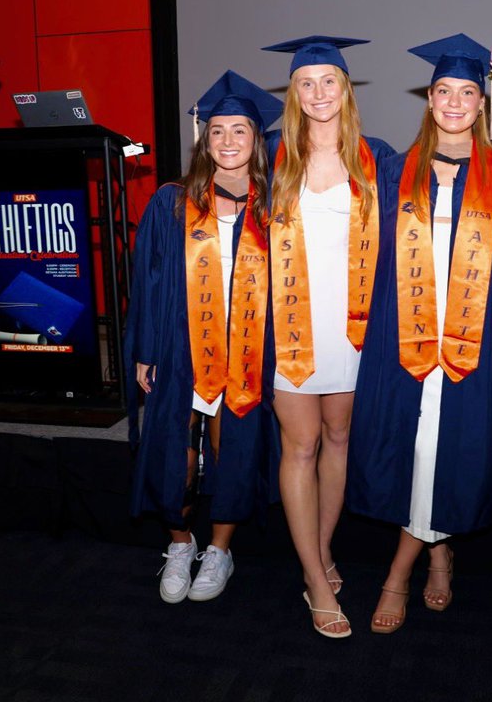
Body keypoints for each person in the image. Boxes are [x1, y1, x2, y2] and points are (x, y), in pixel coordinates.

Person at [347, 34, 492, 634]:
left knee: (450, 449)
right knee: (415, 448)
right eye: (443, 90)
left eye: (467, 92)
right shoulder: (395, 170)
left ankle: (399, 573)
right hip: (408, 331)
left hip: (473, 338)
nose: (453, 102)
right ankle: (439, 555)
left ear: (482, 103)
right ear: (430, 98)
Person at [125, 70, 282, 605]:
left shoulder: (273, 206)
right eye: (218, 131)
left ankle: (219, 549)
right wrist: (146, 351)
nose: (229, 141)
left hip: (246, 349)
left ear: (257, 139)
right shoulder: (172, 202)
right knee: (175, 443)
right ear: (204, 137)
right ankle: (179, 543)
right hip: (179, 344)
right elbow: (146, 281)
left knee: (232, 446)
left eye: (240, 130)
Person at [260, 36, 395, 638]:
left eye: (329, 81)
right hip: (290, 325)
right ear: (294, 92)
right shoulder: (270, 159)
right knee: (302, 445)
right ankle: (315, 578)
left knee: (339, 438)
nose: (318, 94)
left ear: (346, 88)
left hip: (353, 327)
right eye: (306, 83)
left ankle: (319, 550)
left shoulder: (376, 158)